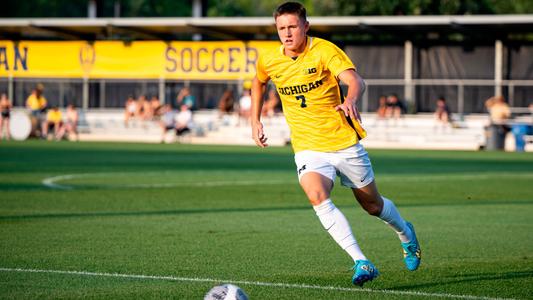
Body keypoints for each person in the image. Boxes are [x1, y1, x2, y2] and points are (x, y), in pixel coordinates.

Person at [251, 2, 421, 287]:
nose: (287, 33)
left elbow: (355, 80)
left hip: (343, 142)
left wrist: (350, 99)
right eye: (282, 28)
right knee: (316, 195)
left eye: (293, 26)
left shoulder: (325, 51)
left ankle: (406, 233)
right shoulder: (269, 60)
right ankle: (360, 260)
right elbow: (257, 82)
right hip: (308, 146)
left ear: (306, 26)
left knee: (372, 205)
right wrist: (254, 120)